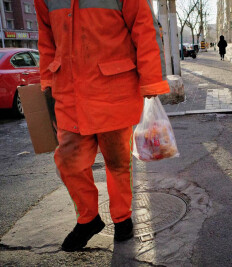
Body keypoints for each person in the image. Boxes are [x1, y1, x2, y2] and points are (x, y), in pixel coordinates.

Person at [34, 0, 170, 252]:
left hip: (114, 90)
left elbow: (144, 27)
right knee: (68, 162)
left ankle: (122, 217)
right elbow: (46, 38)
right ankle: (88, 219)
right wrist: (46, 80)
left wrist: (152, 81)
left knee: (117, 162)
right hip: (69, 93)